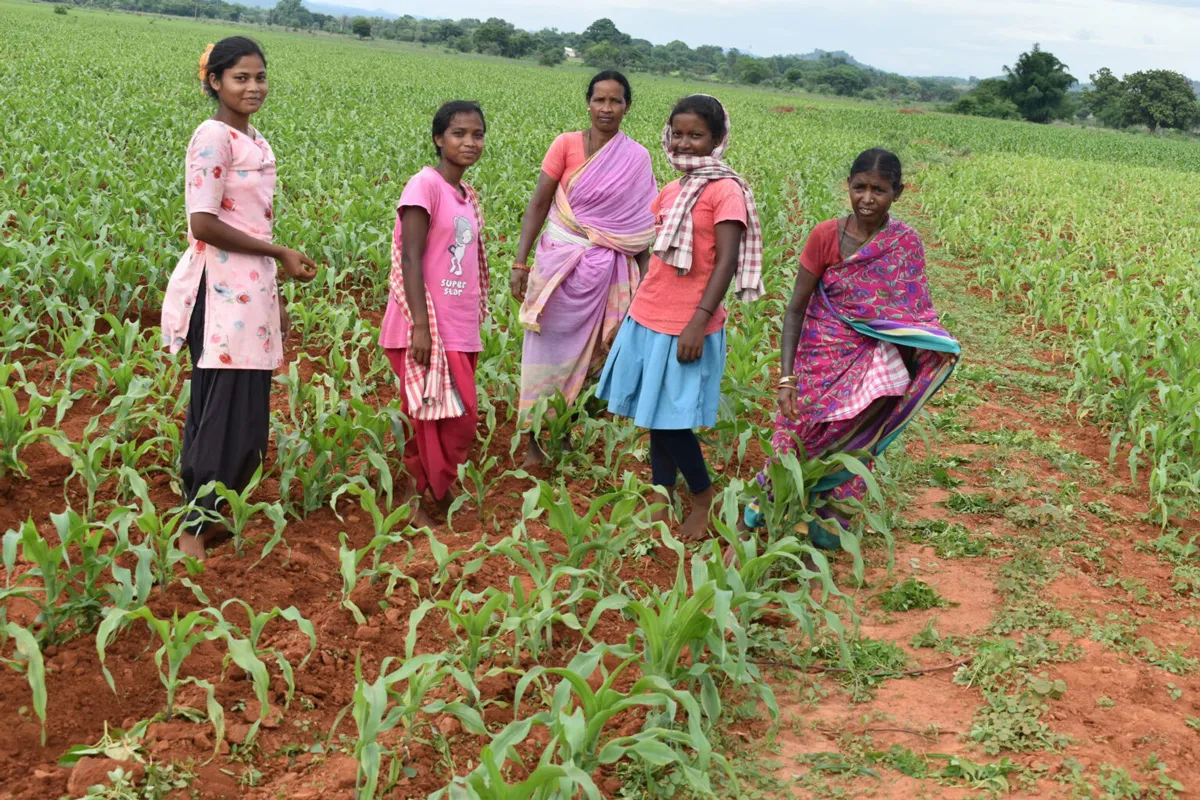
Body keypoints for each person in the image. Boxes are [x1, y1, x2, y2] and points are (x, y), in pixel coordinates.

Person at [744, 149, 960, 549]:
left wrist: (927, 355)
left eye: (879, 190)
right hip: (819, 351)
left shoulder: (904, 244)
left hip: (874, 360)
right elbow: (795, 309)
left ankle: (824, 523)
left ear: (898, 192)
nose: (867, 198)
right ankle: (766, 507)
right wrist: (787, 377)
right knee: (796, 430)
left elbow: (913, 312)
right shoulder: (826, 235)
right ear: (848, 186)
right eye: (859, 187)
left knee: (856, 437)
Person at [160, 37, 317, 560]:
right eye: (240, 78)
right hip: (221, 290)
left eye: (260, 77)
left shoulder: (254, 139)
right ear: (214, 82)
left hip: (251, 293)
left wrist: (276, 296)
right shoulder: (213, 136)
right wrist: (281, 252)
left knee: (247, 415)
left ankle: (211, 520)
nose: (253, 87)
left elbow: (250, 219)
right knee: (221, 408)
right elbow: (204, 222)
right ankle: (191, 530)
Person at [597, 95, 764, 542]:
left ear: (717, 139)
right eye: (679, 134)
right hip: (649, 315)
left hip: (688, 322)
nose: (686, 144)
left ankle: (703, 494)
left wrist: (699, 319)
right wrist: (629, 313)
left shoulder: (725, 190)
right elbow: (656, 263)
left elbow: (726, 261)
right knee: (654, 412)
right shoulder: (672, 191)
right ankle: (659, 490)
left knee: (671, 419)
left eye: (697, 135)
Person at [510, 70, 658, 468]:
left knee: (598, 356)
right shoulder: (565, 145)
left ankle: (565, 434)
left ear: (627, 106)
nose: (606, 108)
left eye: (615, 101)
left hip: (608, 275)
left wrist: (645, 284)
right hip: (558, 270)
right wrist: (520, 262)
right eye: (599, 100)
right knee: (544, 356)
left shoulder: (637, 157)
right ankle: (533, 443)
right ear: (588, 103)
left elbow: (641, 228)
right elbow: (539, 204)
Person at [379, 101, 489, 527]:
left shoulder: (466, 195)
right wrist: (420, 327)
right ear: (438, 139)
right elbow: (410, 256)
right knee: (434, 419)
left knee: (454, 420)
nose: (469, 142)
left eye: (477, 134)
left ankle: (431, 491)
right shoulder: (424, 186)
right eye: (459, 133)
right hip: (424, 327)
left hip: (457, 326)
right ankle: (416, 497)